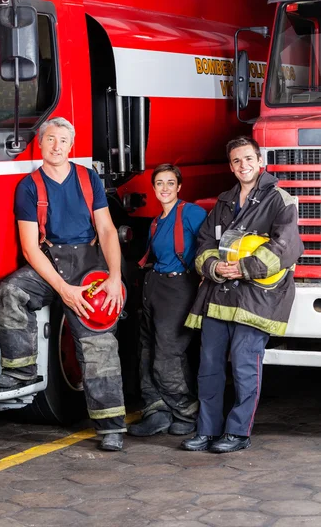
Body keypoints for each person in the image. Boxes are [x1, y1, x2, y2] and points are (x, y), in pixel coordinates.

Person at [0, 117, 127, 451]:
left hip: (87, 265)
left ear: (72, 144)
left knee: (99, 345)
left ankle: (110, 426)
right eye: (50, 139)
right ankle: (21, 371)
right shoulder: (28, 186)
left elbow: (108, 230)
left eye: (63, 140)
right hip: (49, 261)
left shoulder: (88, 179)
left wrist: (114, 277)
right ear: (40, 143)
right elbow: (29, 246)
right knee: (12, 291)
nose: (56, 146)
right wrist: (63, 290)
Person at [181, 135, 303, 453]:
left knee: (245, 364)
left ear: (259, 161)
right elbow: (204, 242)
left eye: (248, 158)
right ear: (231, 167)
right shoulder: (224, 201)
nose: (243, 165)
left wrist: (244, 268)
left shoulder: (280, 200)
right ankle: (207, 430)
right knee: (208, 364)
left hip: (257, 297)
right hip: (219, 295)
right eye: (236, 161)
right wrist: (214, 267)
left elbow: (287, 247)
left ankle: (237, 433)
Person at [128, 164, 207, 438]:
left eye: (170, 183)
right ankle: (157, 411)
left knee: (169, 354)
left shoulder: (191, 212)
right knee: (146, 351)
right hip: (154, 285)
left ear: (179, 187)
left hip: (179, 287)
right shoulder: (156, 221)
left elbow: (208, 245)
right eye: (159, 183)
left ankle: (186, 411)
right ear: (153, 188)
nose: (164, 188)